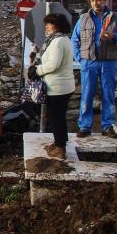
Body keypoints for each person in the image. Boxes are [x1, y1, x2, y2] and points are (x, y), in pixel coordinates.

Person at [72, 0, 117, 139]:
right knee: (86, 95)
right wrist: (80, 58)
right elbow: (74, 39)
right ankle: (85, 126)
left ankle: (108, 126)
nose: (95, 3)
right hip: (89, 63)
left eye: (98, 0)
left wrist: (113, 36)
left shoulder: (115, 18)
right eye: (92, 1)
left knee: (108, 95)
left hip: (108, 62)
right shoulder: (83, 18)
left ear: (104, 1)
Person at [29, 14, 75, 160]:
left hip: (58, 88)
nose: (46, 27)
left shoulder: (58, 41)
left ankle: (60, 149)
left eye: (49, 24)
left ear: (58, 25)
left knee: (56, 118)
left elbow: (53, 64)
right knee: (58, 117)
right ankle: (59, 143)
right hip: (61, 86)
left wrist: (37, 70)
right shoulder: (60, 39)